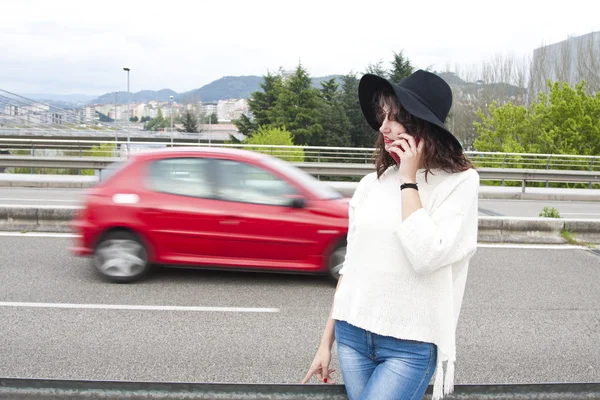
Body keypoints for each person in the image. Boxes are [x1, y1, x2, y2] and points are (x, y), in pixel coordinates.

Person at [302, 70, 479, 400]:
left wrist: (408, 180)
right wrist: (325, 343)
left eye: (395, 118)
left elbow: (426, 255)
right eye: (383, 116)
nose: (384, 127)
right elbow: (350, 269)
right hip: (353, 335)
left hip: (409, 345)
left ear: (421, 125)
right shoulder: (371, 184)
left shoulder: (460, 184)